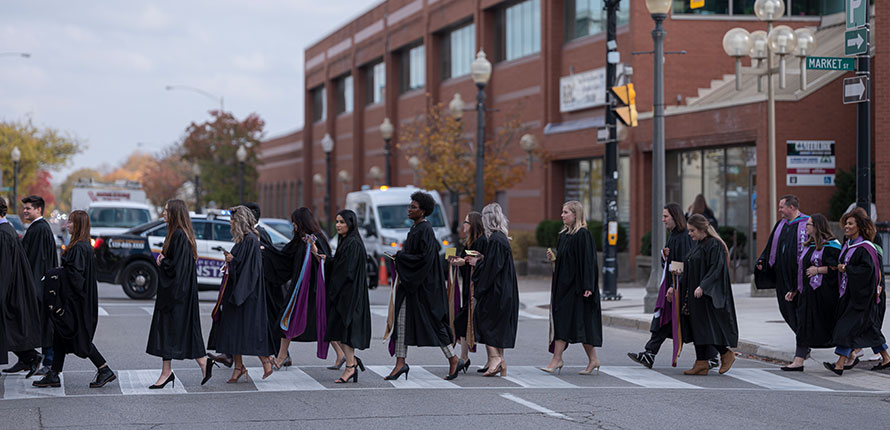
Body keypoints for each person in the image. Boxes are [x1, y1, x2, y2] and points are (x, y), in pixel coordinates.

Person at [628, 203, 719, 369]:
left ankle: (713, 356)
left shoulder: (684, 236)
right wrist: (665, 257)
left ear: (675, 217)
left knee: (682, 323)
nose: (663, 220)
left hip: (681, 288)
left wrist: (676, 286)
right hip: (675, 286)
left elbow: (687, 263)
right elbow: (672, 263)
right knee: (665, 321)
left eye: (666, 216)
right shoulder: (674, 235)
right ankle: (650, 353)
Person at [33, 210, 116, 388]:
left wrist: (55, 276)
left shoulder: (78, 248)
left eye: (71, 223)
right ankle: (54, 374)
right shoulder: (83, 245)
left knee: (79, 338)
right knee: (61, 336)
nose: (68, 225)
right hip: (78, 300)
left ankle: (104, 369)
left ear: (78, 225)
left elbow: (75, 277)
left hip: (75, 302)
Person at [384, 191, 461, 380]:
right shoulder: (416, 228)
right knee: (401, 322)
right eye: (409, 206)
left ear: (423, 211)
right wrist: (400, 257)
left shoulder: (425, 230)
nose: (409, 210)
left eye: (413, 207)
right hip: (411, 286)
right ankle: (400, 363)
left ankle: (453, 359)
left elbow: (423, 259)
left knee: (435, 324)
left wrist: (401, 257)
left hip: (424, 288)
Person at [146, 200, 213, 388]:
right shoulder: (179, 234)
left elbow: (178, 268)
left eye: (166, 211)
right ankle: (195, 364)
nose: (163, 214)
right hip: (177, 294)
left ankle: (192, 365)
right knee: (176, 331)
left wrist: (162, 262)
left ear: (175, 213)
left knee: (170, 331)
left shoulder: (179, 235)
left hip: (176, 295)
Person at [824, 208, 890, 375]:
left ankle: (839, 364)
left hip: (863, 297)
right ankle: (886, 358)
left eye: (850, 223)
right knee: (869, 329)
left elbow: (867, 271)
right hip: (850, 294)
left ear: (859, 227)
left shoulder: (866, 247)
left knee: (846, 328)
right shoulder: (848, 245)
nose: (846, 226)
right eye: (846, 223)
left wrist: (846, 268)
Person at [265, 208, 332, 370]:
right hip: (302, 289)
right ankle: (343, 356)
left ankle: (281, 358)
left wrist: (314, 250)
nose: (292, 224)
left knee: (288, 321)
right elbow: (283, 257)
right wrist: (265, 251)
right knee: (320, 323)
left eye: (294, 221)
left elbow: (325, 261)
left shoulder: (315, 240)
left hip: (308, 291)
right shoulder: (299, 241)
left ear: (300, 222)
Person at [215, 206, 276, 383]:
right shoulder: (244, 240)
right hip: (239, 292)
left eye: (232, 221)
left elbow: (250, 269)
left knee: (249, 330)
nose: (230, 224)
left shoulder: (250, 240)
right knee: (234, 332)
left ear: (239, 221)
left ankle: (265, 361)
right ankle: (238, 368)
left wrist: (232, 262)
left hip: (246, 294)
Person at [541, 201, 602, 376]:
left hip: (578, 288)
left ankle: (589, 359)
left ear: (575, 215)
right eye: (562, 212)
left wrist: (588, 286)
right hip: (564, 287)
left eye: (565, 212)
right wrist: (554, 259)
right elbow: (566, 261)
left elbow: (589, 262)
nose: (562, 215)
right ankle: (560, 358)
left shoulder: (583, 235)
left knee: (580, 325)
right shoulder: (564, 235)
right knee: (563, 322)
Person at [781, 213, 841, 372]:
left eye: (809, 224)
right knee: (803, 325)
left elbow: (839, 269)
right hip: (807, 294)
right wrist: (794, 289)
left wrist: (819, 270)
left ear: (817, 227)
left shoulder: (832, 246)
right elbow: (801, 270)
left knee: (831, 326)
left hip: (825, 294)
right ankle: (798, 360)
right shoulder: (808, 245)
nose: (806, 227)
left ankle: (850, 353)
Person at [464, 203, 519, 377]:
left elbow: (492, 269)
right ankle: (499, 361)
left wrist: (478, 264)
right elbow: (495, 263)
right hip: (504, 289)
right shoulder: (501, 238)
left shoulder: (495, 239)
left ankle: (495, 358)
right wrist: (482, 259)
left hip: (497, 290)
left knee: (487, 321)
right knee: (497, 325)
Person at [755, 195, 811, 364]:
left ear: (792, 208)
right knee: (786, 309)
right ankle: (804, 339)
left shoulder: (807, 223)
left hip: (800, 277)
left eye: (781, 207)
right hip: (782, 276)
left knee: (801, 312)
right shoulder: (781, 224)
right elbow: (771, 245)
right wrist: (762, 261)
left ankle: (802, 345)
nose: (779, 210)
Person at [680, 214, 739, 375]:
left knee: (707, 329)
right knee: (697, 328)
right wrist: (676, 287)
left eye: (692, 230)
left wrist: (703, 286)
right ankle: (701, 362)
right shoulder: (698, 244)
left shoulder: (714, 245)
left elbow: (716, 269)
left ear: (700, 229)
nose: (690, 234)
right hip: (693, 294)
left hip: (706, 296)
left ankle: (726, 353)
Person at [324, 210, 371, 383]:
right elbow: (339, 265)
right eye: (337, 222)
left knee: (345, 331)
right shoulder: (347, 241)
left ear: (350, 224)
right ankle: (352, 363)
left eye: (342, 222)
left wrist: (331, 267)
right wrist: (326, 260)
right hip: (344, 293)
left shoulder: (353, 243)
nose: (338, 225)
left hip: (349, 295)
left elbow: (346, 271)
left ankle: (350, 366)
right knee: (339, 331)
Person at [0, 198, 42, 376]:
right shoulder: (7, 230)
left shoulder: (3, 233)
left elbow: (3, 267)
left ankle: (30, 357)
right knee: (10, 328)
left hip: (7, 287)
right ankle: (29, 357)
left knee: (9, 327)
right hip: (12, 286)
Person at [19, 195, 59, 376]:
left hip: (39, 285)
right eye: (25, 208)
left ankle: (48, 362)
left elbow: (38, 261)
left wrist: (33, 286)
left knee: (45, 325)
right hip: (39, 284)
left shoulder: (40, 229)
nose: (25, 211)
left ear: (38, 209)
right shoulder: (38, 228)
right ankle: (26, 359)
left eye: (28, 208)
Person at [448, 211, 487, 373]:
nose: (463, 225)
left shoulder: (481, 242)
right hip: (467, 288)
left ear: (474, 225)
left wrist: (466, 262)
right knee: (463, 322)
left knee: (465, 321)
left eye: (466, 222)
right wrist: (457, 261)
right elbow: (466, 261)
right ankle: (464, 358)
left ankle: (467, 358)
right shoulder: (468, 242)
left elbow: (482, 263)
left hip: (476, 289)